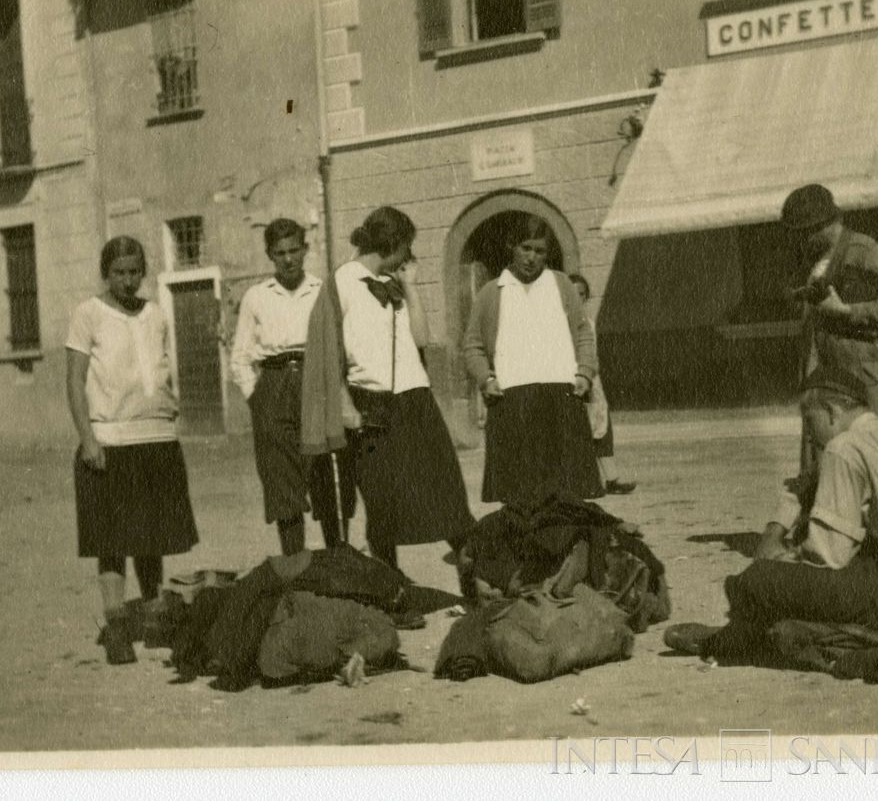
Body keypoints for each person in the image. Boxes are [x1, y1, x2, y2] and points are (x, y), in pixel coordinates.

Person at [663, 365, 878, 666]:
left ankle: (734, 641)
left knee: (755, 581)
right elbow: (806, 486)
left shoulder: (843, 447)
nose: (809, 435)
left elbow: (828, 557)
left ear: (831, 411)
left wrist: (781, 556)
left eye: (809, 421)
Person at [301, 206, 475, 588]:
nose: (409, 255)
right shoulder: (341, 282)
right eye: (406, 247)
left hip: (416, 399)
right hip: (371, 404)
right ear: (392, 244)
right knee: (383, 502)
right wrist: (345, 405)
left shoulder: (393, 282)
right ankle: (389, 588)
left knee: (446, 491)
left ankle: (472, 578)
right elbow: (328, 352)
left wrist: (410, 287)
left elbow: (421, 339)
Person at [66, 236, 199, 665]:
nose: (127, 281)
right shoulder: (88, 314)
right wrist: (88, 439)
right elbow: (74, 381)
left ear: (143, 272)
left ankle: (155, 619)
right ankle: (117, 627)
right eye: (119, 273)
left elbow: (163, 370)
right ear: (106, 273)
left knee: (151, 535)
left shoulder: (155, 314)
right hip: (111, 440)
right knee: (111, 539)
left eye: (134, 272)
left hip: (156, 437)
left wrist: (171, 413)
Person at [230, 218, 353, 556]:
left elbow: (339, 345)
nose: (288, 259)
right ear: (270, 255)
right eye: (280, 253)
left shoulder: (323, 290)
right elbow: (240, 358)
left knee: (325, 475)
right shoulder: (256, 297)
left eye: (294, 250)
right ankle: (295, 567)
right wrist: (257, 399)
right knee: (283, 482)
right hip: (273, 383)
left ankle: (336, 561)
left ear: (305, 249)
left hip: (316, 381)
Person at [463, 216, 603, 506]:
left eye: (539, 251)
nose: (531, 257)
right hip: (512, 400)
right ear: (511, 246)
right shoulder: (492, 292)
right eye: (525, 248)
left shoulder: (561, 284)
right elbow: (473, 345)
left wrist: (585, 372)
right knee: (519, 495)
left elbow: (583, 334)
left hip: (561, 397)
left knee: (567, 493)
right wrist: (485, 379)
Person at [780, 183, 878, 482]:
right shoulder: (814, 259)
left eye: (806, 231)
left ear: (824, 224)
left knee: (869, 465)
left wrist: (845, 311)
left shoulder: (863, 249)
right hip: (824, 379)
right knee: (823, 470)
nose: (803, 239)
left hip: (862, 377)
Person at [568, 273, 637, 496]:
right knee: (579, 432)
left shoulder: (588, 322)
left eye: (581, 294)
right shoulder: (560, 324)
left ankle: (612, 478)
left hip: (592, 380)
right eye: (573, 294)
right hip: (573, 381)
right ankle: (584, 482)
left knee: (602, 427)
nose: (577, 298)